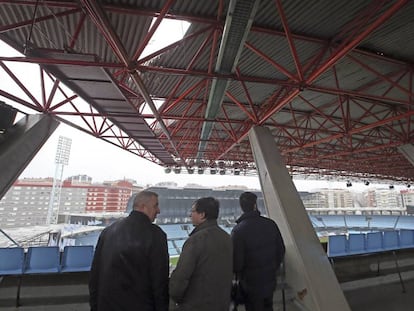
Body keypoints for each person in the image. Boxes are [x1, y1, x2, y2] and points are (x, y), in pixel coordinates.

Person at [89, 190, 169, 311]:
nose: (158, 210)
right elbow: (159, 281)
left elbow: (95, 274)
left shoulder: (109, 231)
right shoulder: (156, 235)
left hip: (106, 305)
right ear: (143, 207)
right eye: (155, 206)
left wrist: (95, 306)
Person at [169, 197, 233, 311]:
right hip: (222, 304)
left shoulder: (196, 240)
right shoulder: (227, 237)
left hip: (196, 305)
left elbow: (181, 278)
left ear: (202, 215)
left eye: (193, 211)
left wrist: (175, 297)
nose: (190, 215)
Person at [231, 191, 285, 311]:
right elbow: (281, 251)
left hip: (250, 285)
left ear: (242, 207)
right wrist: (272, 268)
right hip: (269, 280)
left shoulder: (238, 231)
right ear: (255, 205)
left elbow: (237, 264)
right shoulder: (271, 224)